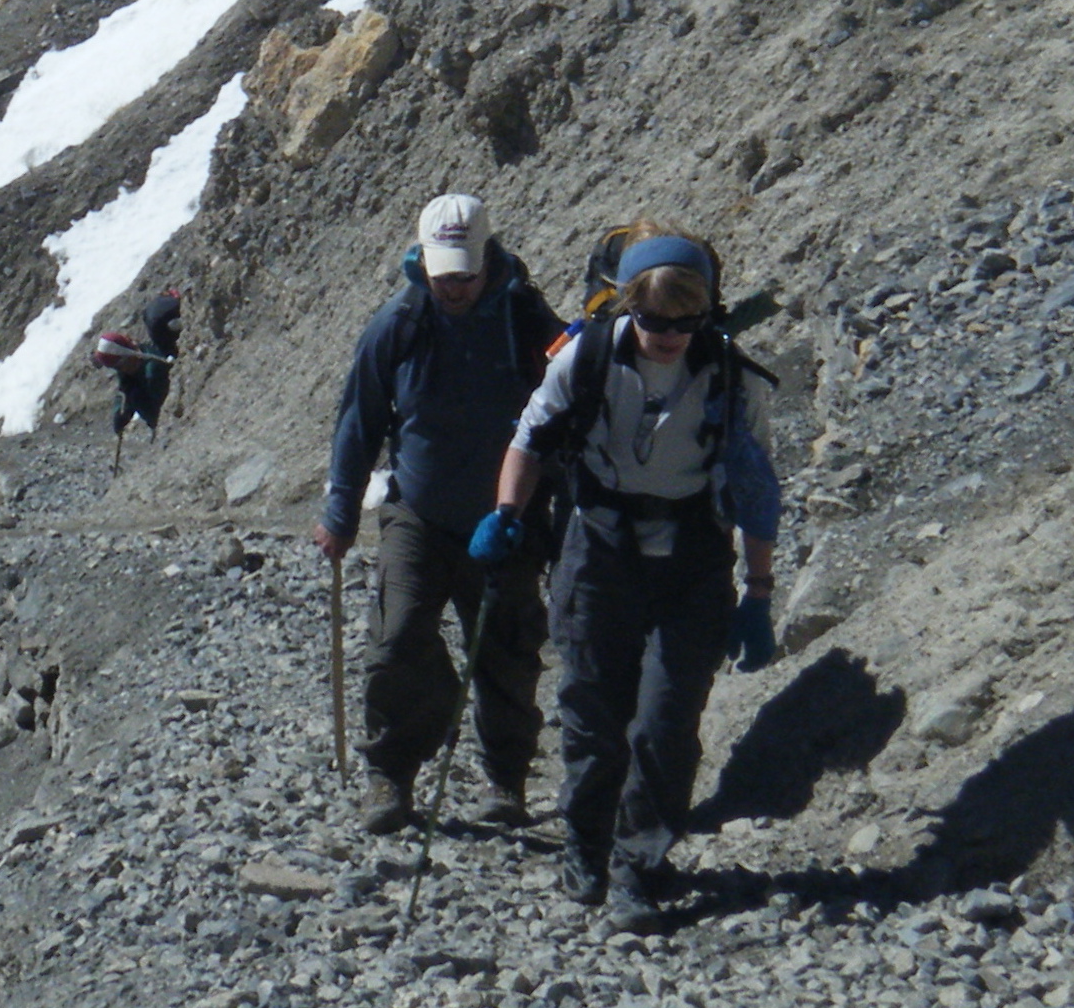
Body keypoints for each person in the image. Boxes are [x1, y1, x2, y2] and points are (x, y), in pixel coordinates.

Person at [478, 230, 782, 933]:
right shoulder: (584, 359)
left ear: (708, 313)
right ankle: (586, 847)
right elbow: (529, 439)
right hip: (599, 547)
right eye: (653, 318)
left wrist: (759, 592)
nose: (669, 333)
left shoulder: (730, 375)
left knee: (667, 721)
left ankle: (637, 866)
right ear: (627, 306)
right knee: (592, 711)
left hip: (694, 557)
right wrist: (505, 514)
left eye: (686, 320)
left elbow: (756, 489)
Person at [314, 194, 565, 835]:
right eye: (442, 274)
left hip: (508, 515)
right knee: (396, 638)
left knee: (509, 650)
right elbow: (360, 419)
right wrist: (341, 511)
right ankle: (390, 775)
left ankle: (505, 781)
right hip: (417, 512)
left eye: (464, 274)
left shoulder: (527, 319)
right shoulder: (397, 324)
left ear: (488, 258)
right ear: (422, 262)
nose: (453, 287)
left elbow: (568, 407)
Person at [110, 290, 180, 464]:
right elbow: (123, 388)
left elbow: (158, 413)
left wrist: (135, 399)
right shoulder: (137, 362)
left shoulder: (153, 370)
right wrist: (121, 413)